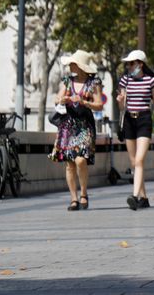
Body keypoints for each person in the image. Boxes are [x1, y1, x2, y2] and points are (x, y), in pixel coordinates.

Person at [49, 50, 103, 211]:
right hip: (68, 125)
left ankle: (84, 193)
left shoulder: (94, 82)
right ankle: (73, 198)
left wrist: (84, 102)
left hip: (85, 124)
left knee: (81, 160)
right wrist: (62, 99)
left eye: (72, 63)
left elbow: (99, 104)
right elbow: (57, 98)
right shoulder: (67, 81)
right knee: (70, 163)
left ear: (79, 66)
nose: (70, 66)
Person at [117, 49, 154, 210]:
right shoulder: (125, 80)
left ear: (140, 64)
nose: (129, 66)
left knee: (139, 160)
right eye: (128, 64)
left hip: (144, 120)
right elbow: (122, 107)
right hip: (129, 122)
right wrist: (119, 100)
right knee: (134, 162)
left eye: (132, 63)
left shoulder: (151, 81)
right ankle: (144, 198)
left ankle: (134, 196)